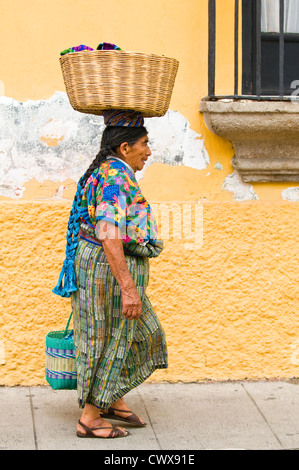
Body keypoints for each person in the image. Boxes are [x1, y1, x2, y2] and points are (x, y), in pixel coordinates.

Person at [53, 109, 167, 439]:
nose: (149, 150)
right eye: (144, 144)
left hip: (97, 266)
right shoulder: (116, 177)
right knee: (111, 339)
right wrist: (128, 288)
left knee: (133, 334)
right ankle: (90, 417)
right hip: (107, 270)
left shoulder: (106, 171)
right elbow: (108, 232)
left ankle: (111, 398)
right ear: (124, 148)